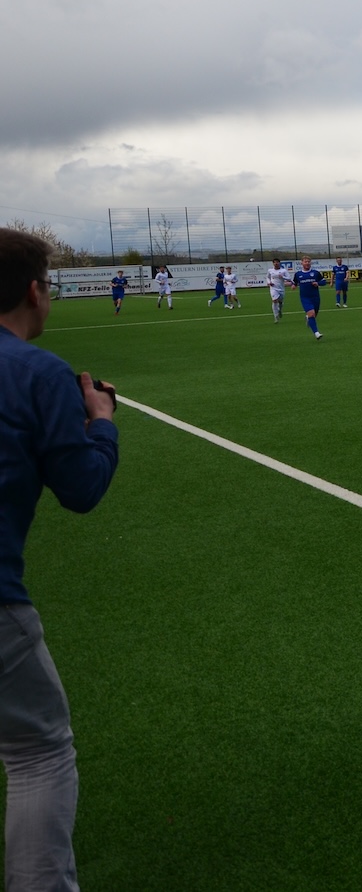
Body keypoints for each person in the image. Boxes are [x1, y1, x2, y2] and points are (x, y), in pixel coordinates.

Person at [0, 228, 120, 892]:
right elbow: (80, 489)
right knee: (38, 752)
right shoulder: (36, 370)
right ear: (34, 291)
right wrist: (100, 422)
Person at [291, 256, 327, 339]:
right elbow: (294, 283)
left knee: (314, 314)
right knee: (312, 313)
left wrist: (318, 283)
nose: (307, 263)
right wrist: (293, 286)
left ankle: (308, 318)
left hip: (316, 297)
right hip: (305, 298)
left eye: (308, 261)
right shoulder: (298, 274)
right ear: (302, 263)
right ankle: (317, 333)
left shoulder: (315, 273)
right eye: (305, 261)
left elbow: (324, 282)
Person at [267, 259, 288, 324]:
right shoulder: (270, 270)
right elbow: (267, 277)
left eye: (277, 262)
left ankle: (280, 310)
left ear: (279, 263)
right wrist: (269, 282)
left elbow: (289, 278)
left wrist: (283, 277)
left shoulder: (283, 270)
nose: (276, 263)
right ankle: (276, 317)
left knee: (280, 302)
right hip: (273, 288)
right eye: (274, 262)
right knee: (274, 300)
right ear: (273, 263)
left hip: (281, 289)